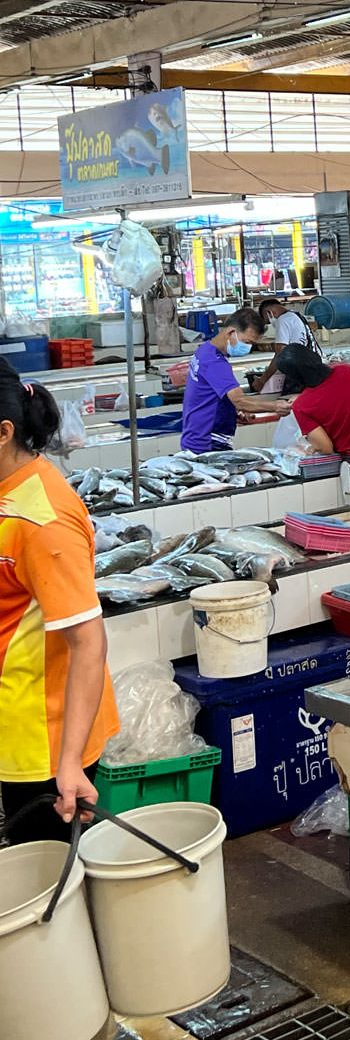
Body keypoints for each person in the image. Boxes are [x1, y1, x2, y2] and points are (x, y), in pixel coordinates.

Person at [0, 361, 119, 844]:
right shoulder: (10, 489)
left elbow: (89, 643)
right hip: (15, 714)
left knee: (49, 881)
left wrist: (68, 763)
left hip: (43, 739)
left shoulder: (43, 521)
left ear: (3, 432)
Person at [181, 309, 291, 453]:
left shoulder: (205, 350)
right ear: (231, 332)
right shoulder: (215, 362)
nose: (248, 347)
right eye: (247, 342)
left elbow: (212, 395)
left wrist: (232, 410)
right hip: (207, 443)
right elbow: (239, 400)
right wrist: (275, 406)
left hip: (196, 437)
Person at [276, 345, 350, 461]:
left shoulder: (301, 406)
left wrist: (312, 448)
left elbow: (325, 448)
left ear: (294, 377)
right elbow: (333, 395)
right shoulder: (346, 372)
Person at [252, 298, 318, 394]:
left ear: (269, 313)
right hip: (310, 367)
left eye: (268, 321)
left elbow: (280, 355)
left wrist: (262, 380)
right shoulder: (296, 315)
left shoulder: (282, 320)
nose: (271, 323)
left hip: (297, 371)